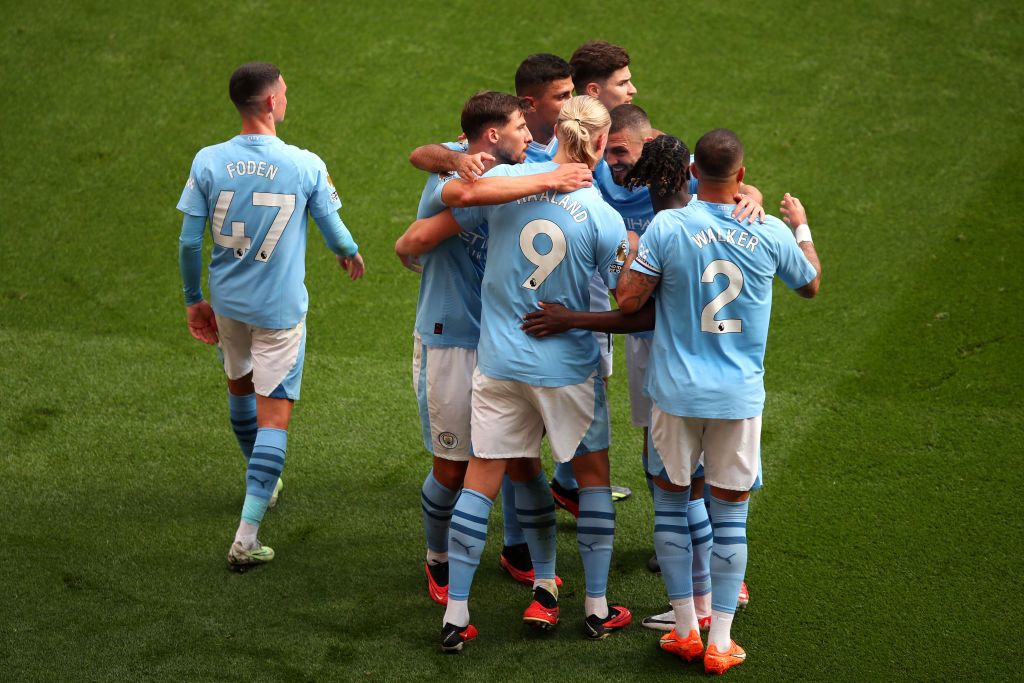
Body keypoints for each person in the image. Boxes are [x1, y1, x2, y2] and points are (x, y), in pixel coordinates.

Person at [397, 96, 632, 652]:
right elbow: (627, 299)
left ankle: (458, 615)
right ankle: (596, 608)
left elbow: (455, 194)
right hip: (568, 368)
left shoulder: (509, 184)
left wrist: (523, 179)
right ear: (598, 145)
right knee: (592, 479)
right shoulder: (602, 215)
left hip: (498, 363)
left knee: (484, 478)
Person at [616, 128, 821, 674]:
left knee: (671, 506)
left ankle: (684, 631)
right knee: (731, 519)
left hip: (675, 394)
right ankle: (721, 641)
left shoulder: (667, 226)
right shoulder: (771, 229)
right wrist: (798, 224)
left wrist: (638, 262)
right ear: (743, 175)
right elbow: (810, 285)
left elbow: (630, 298)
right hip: (737, 397)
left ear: (689, 173)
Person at [176, 62, 365, 569]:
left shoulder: (208, 161)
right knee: (274, 414)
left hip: (229, 306)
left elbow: (189, 240)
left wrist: (195, 298)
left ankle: (264, 480)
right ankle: (246, 537)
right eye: (283, 92)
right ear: (268, 105)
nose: (286, 98)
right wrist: (350, 251)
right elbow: (334, 228)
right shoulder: (304, 163)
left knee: (240, 387)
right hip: (279, 313)